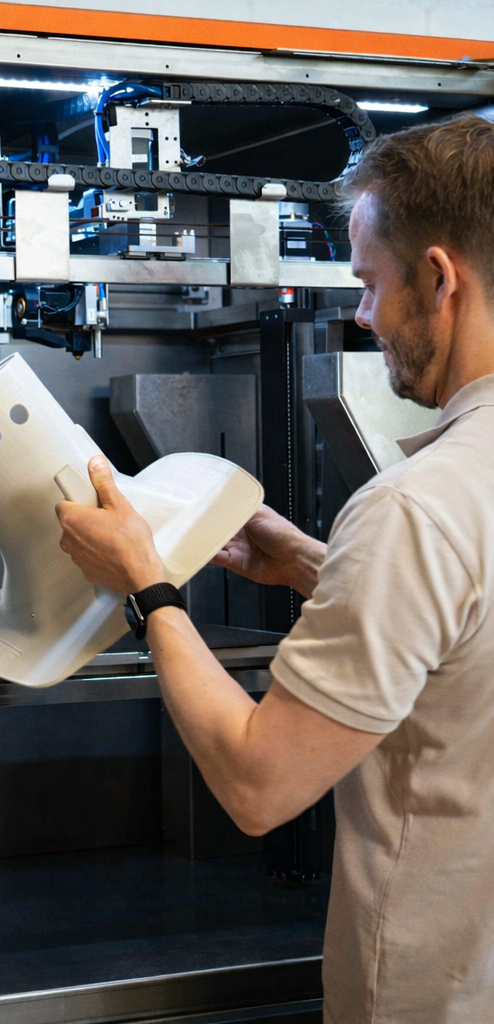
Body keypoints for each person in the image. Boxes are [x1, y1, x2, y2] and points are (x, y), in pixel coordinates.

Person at [57, 114, 494, 1024]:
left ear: (440, 278)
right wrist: (312, 565)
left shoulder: (419, 506)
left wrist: (151, 588)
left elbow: (262, 787)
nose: (364, 315)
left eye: (370, 284)